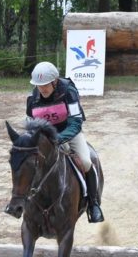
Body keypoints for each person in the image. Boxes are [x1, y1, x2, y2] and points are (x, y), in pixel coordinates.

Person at [25, 61, 104, 223]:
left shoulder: (69, 92)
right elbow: (30, 123)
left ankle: (93, 204)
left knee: (87, 161)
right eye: (39, 86)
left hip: (69, 132)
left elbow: (76, 122)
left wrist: (59, 138)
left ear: (55, 81)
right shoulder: (33, 98)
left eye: (45, 85)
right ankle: (20, 200)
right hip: (45, 136)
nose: (42, 89)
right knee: (27, 161)